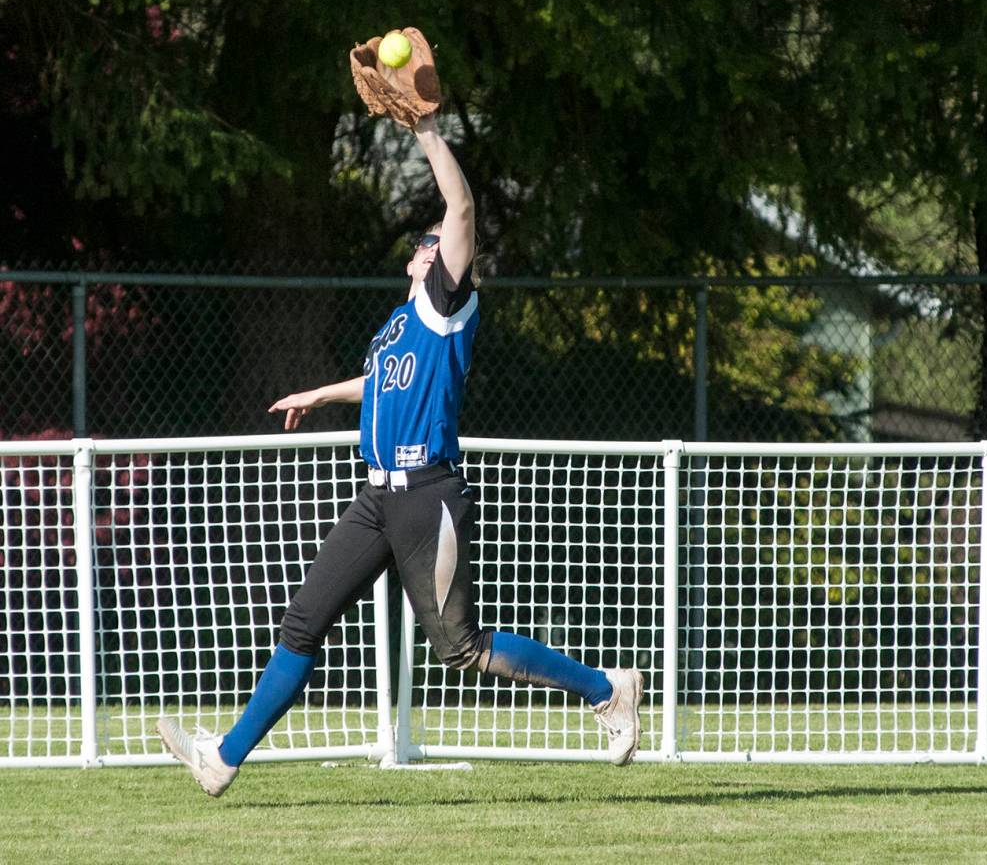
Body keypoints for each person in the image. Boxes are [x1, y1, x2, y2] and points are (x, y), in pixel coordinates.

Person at [156, 114, 643, 796]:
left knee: (460, 647)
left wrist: (425, 130)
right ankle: (224, 759)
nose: (435, 247)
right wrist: (321, 394)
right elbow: (380, 383)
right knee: (303, 622)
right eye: (427, 244)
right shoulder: (397, 325)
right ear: (412, 261)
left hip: (426, 496)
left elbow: (461, 207)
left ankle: (606, 690)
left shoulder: (447, 305)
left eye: (442, 244)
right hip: (378, 498)